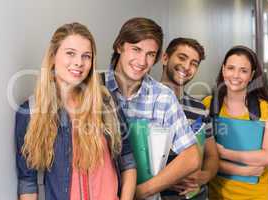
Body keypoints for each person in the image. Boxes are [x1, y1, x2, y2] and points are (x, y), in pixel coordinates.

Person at [15, 22, 136, 200]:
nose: (79, 62)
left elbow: (128, 162)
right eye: (70, 53)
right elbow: (28, 183)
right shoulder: (31, 112)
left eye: (86, 56)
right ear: (53, 56)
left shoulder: (107, 103)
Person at [104, 17, 201, 199]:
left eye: (150, 54)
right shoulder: (93, 89)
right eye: (136, 49)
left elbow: (191, 156)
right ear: (119, 46)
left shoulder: (163, 97)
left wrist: (141, 192)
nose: (142, 61)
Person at [202, 45, 268, 199]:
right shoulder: (207, 105)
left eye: (243, 70)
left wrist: (223, 153)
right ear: (223, 70)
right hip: (218, 194)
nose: (235, 75)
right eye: (231, 68)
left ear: (251, 75)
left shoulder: (263, 108)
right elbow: (199, 155)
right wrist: (244, 170)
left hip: (257, 194)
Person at [160, 37, 218, 200]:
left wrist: (205, 176)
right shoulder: (145, 103)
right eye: (182, 58)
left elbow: (212, 156)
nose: (187, 67)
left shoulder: (199, 109)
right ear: (165, 58)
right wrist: (165, 180)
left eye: (194, 63)